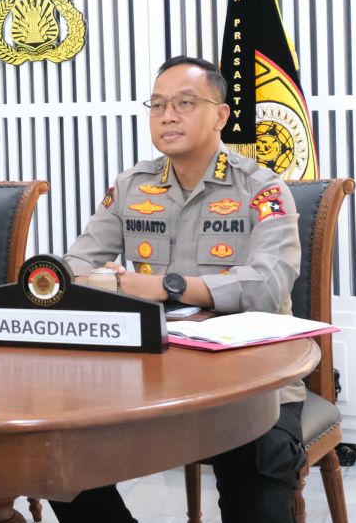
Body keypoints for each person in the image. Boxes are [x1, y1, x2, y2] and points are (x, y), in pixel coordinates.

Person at [55, 56, 316, 523]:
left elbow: (269, 285)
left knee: (258, 478)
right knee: (57, 454)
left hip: (248, 380)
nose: (167, 116)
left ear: (221, 115)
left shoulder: (262, 189)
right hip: (149, 372)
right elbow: (78, 261)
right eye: (157, 105)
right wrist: (91, 278)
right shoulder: (131, 187)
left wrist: (165, 286)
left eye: (184, 103)